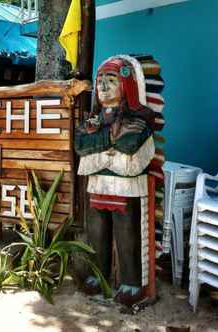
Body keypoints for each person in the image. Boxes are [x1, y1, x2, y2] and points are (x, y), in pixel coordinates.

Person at [75, 56, 158, 307]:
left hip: (127, 189)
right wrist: (110, 139)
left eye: (111, 81)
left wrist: (99, 144)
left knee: (127, 236)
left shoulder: (140, 120)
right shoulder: (91, 122)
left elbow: (130, 143)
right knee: (97, 234)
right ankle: (98, 276)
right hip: (97, 185)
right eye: (100, 81)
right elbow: (80, 144)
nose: (102, 86)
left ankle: (132, 282)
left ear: (126, 86)